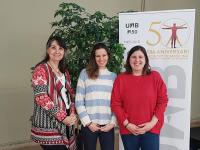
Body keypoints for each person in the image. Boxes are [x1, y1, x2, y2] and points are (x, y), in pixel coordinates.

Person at [111, 45, 168, 150]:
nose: (137, 60)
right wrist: (127, 124)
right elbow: (115, 103)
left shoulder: (155, 76)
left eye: (140, 57)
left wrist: (152, 123)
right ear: (129, 60)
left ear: (145, 60)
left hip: (151, 128)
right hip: (128, 129)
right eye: (133, 57)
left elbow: (163, 101)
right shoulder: (121, 79)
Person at [31, 36, 77, 150]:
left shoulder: (64, 71)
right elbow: (41, 98)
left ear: (64, 51)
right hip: (49, 123)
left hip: (66, 120)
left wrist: (71, 113)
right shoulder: (41, 70)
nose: (57, 51)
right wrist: (63, 117)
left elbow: (69, 95)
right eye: (53, 47)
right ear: (47, 50)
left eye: (60, 48)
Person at [75, 43, 116, 150]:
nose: (101, 58)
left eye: (104, 55)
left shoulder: (114, 77)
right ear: (94, 57)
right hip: (89, 125)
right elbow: (79, 101)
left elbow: (117, 103)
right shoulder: (85, 73)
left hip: (108, 126)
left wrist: (112, 123)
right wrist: (88, 123)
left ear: (108, 56)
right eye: (98, 56)